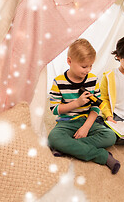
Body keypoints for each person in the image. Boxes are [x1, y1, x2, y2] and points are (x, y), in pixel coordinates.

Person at [48, 38, 120, 174]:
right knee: (53, 137)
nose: (88, 70)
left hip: (88, 121)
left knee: (110, 136)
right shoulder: (59, 82)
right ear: (69, 61)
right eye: (84, 66)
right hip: (66, 122)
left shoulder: (92, 80)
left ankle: (66, 147)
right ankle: (103, 156)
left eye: (90, 66)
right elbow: (55, 109)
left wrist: (86, 127)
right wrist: (76, 103)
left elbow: (96, 107)